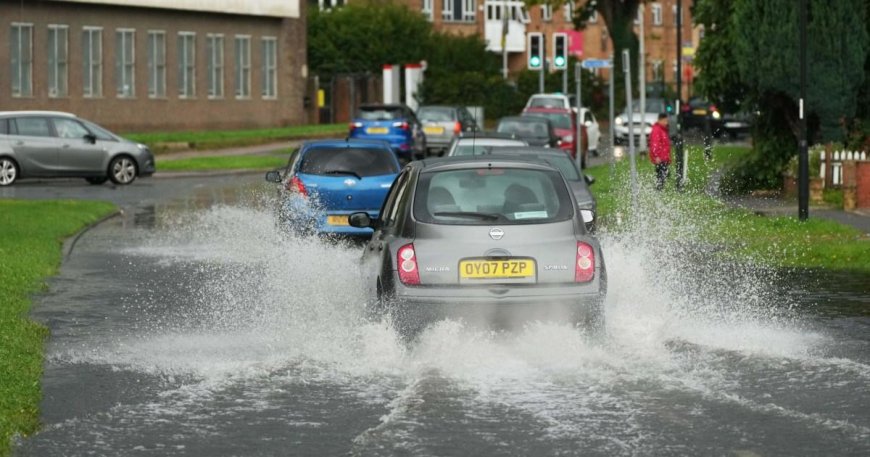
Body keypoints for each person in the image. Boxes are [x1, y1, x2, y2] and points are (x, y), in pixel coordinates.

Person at [648, 112, 672, 190]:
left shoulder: (663, 130)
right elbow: (655, 144)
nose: (666, 123)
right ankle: (658, 189)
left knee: (663, 174)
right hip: (660, 158)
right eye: (665, 121)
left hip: (663, 157)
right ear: (660, 120)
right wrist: (656, 156)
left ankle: (659, 189)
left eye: (667, 121)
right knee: (661, 175)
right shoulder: (657, 130)